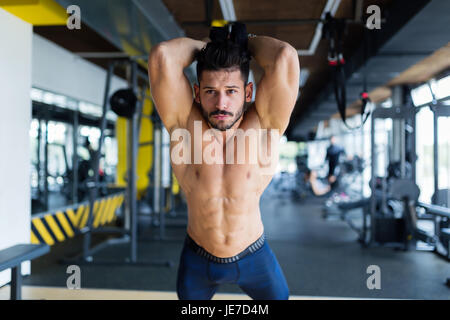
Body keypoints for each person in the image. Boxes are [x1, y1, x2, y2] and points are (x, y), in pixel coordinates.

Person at [148, 23, 299, 300]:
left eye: (231, 90)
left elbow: (284, 57)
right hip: (198, 260)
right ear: (196, 93)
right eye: (210, 91)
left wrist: (246, 43)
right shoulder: (184, 125)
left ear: (248, 92)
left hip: (255, 256)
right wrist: (203, 47)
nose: (221, 103)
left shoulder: (265, 125)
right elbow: (162, 57)